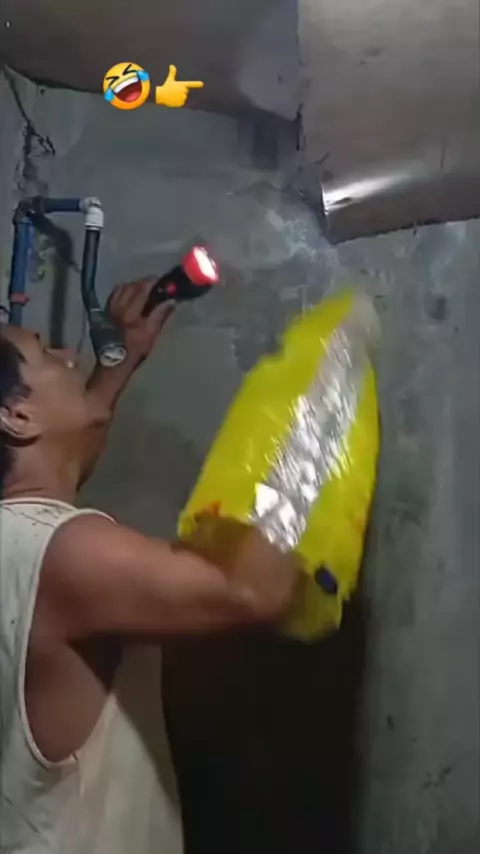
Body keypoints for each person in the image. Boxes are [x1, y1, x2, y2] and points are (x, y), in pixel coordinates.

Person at [0, 278, 300, 854]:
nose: (66, 353)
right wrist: (312, 422)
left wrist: (121, 359)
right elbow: (252, 589)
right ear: (16, 415)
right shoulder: (69, 554)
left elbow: (54, 478)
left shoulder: (25, 544)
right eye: (44, 354)